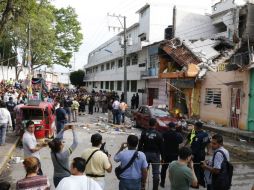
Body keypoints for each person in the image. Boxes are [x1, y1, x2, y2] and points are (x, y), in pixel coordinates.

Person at [138, 118, 163, 190]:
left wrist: (138, 153)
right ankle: (155, 188)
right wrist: (163, 157)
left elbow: (140, 144)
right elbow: (161, 147)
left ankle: (142, 187)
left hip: (145, 154)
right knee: (156, 173)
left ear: (149, 124)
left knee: (144, 171)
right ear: (155, 124)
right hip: (155, 155)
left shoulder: (144, 132)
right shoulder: (159, 134)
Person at [185, 121, 210, 187]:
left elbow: (197, 146)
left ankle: (196, 184)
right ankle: (201, 182)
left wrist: (192, 154)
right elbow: (189, 140)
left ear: (197, 126)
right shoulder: (204, 134)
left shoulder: (201, 135)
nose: (194, 127)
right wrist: (208, 151)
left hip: (196, 154)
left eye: (194, 126)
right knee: (201, 167)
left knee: (195, 168)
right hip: (202, 153)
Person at [160, 122, 183, 188]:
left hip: (166, 154)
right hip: (174, 155)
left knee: (164, 169)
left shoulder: (165, 134)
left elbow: (161, 141)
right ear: (174, 127)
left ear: (169, 127)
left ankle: (162, 183)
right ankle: (174, 183)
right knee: (174, 169)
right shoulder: (178, 135)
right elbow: (181, 141)